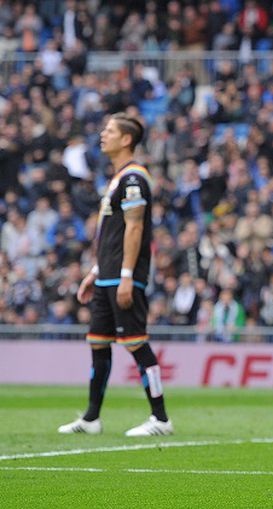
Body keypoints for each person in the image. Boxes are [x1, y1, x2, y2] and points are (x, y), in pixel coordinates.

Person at [58, 113, 174, 437]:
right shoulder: (117, 178)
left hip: (125, 275)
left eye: (109, 130)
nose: (102, 135)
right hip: (107, 274)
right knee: (98, 344)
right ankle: (92, 418)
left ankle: (161, 418)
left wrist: (126, 275)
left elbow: (135, 227)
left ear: (126, 139)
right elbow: (111, 233)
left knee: (136, 343)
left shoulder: (134, 177)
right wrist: (96, 271)